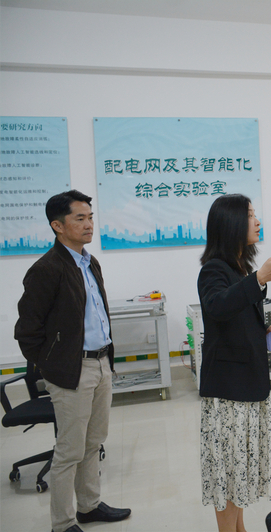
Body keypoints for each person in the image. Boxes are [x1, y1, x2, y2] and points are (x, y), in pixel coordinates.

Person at [15, 190, 131, 532]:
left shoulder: (89, 262)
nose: (88, 224)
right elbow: (27, 330)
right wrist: (51, 365)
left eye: (90, 217)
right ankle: (62, 522)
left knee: (94, 442)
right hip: (72, 370)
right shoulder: (46, 269)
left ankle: (89, 506)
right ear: (58, 226)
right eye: (79, 219)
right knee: (69, 450)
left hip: (101, 363)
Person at [197, 194, 271, 532]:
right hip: (229, 391)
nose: (257, 222)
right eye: (251, 216)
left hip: (247, 385)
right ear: (230, 224)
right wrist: (258, 279)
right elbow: (217, 306)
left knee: (239, 472)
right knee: (229, 475)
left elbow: (237, 319)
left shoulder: (237, 268)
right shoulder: (214, 269)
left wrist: (266, 333)